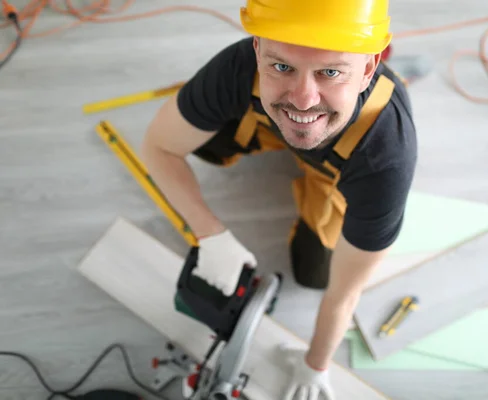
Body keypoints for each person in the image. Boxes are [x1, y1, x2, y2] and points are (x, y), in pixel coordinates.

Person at [141, 0, 418, 398]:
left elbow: (345, 293)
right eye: (283, 66)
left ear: (368, 69)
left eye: (330, 72)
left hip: (342, 168)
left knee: (315, 273)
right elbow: (160, 147)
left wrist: (315, 365)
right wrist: (209, 233)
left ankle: (324, 157)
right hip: (275, 125)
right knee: (204, 143)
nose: (304, 97)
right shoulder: (237, 68)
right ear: (257, 48)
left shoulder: (386, 156)